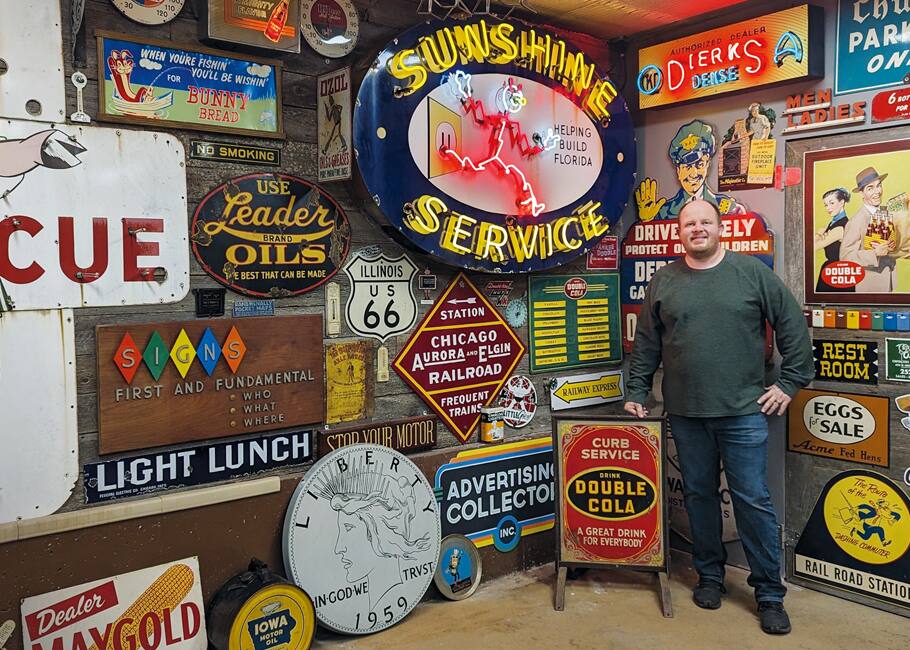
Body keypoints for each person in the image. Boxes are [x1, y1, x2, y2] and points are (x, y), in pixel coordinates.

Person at [624, 200, 814, 635]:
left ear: (720, 228)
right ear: (680, 231)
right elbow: (648, 344)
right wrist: (637, 390)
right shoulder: (664, 280)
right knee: (698, 497)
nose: (697, 229)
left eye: (705, 222)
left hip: (744, 413)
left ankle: (769, 593)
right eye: (689, 223)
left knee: (753, 502)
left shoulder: (752, 274)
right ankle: (710, 576)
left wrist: (788, 384)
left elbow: (792, 327)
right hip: (686, 414)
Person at [634, 120, 745, 221]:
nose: (693, 174)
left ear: (707, 166)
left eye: (700, 165)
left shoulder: (727, 207)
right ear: (678, 170)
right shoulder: (663, 212)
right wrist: (647, 221)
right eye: (687, 167)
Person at [840, 167, 896, 292]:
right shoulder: (856, 221)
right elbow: (845, 257)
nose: (877, 192)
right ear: (861, 193)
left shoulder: (885, 212)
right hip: (870, 287)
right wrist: (874, 253)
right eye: (870, 188)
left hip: (889, 283)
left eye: (879, 186)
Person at [814, 188, 853, 293]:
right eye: (826, 205)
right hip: (833, 271)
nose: (828, 208)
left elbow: (812, 247)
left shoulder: (840, 227)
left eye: (832, 203)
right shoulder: (832, 223)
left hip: (838, 272)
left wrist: (818, 234)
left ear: (842, 202)